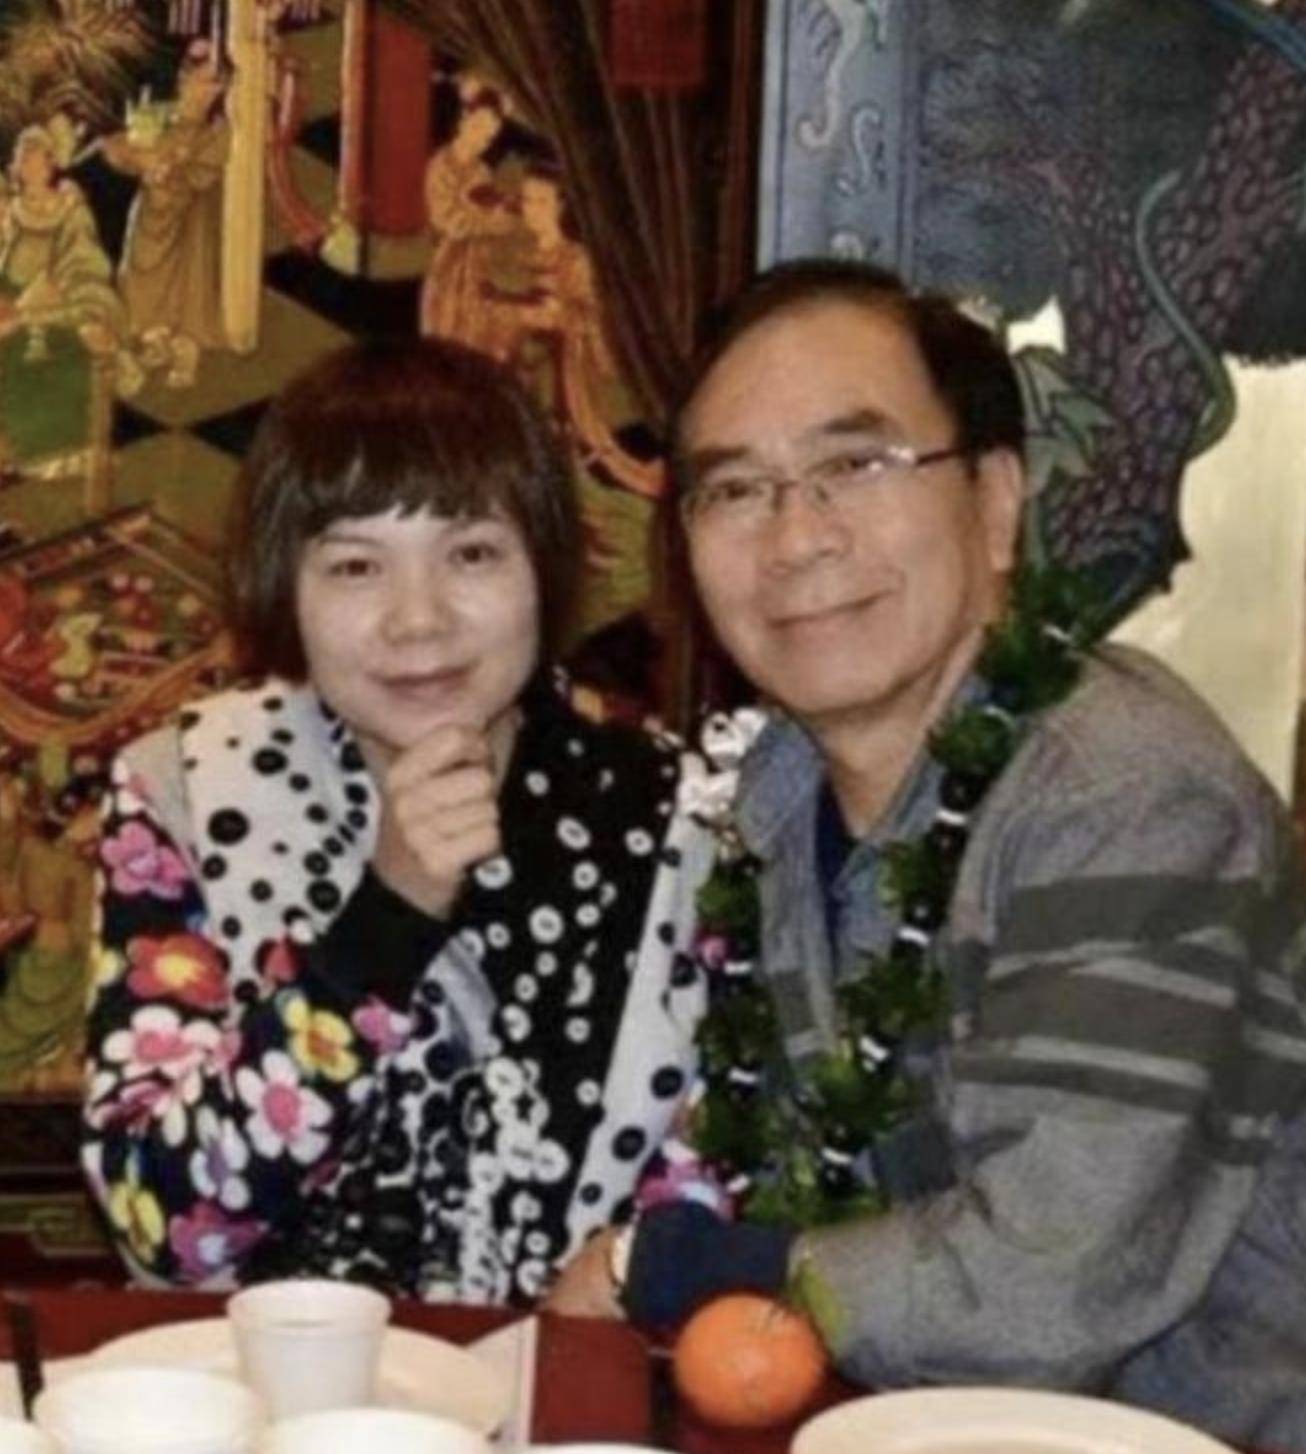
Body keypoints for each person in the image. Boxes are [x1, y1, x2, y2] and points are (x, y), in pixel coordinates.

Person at [546, 259, 1306, 1453]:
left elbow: (1041, 1287)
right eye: (734, 488)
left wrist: (677, 1263)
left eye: (855, 464)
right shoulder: (778, 788)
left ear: (995, 501)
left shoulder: (1126, 798)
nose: (796, 537)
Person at [81, 335, 711, 1303]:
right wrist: (386, 916)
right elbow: (160, 1225)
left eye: (471, 553)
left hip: (571, 1379)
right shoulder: (185, 789)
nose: (419, 619)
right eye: (355, 567)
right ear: (284, 582)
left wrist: (626, 1274)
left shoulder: (673, 811)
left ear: (543, 566)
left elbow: (722, 1159)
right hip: (258, 1381)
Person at [102, 41, 231, 387]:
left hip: (190, 213)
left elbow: (207, 168)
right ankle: (153, 337)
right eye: (203, 80)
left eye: (217, 84)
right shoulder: (157, 114)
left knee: (188, 277)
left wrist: (174, 170)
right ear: (184, 80)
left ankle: (184, 349)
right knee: (142, 271)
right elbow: (118, 147)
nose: (209, 91)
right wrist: (144, 162)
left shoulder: (216, 130)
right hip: (151, 212)